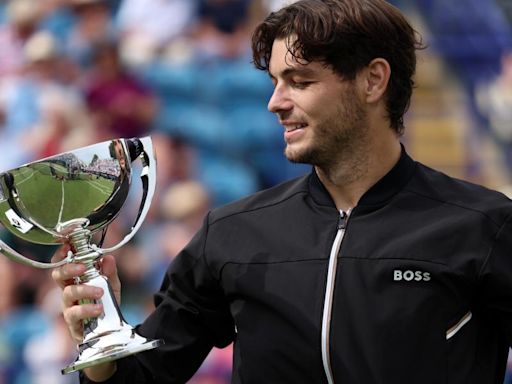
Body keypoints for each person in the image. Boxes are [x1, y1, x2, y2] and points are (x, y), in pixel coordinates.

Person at [50, 0, 512, 383]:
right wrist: (103, 340)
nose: (275, 102)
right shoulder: (230, 232)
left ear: (373, 80)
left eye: (300, 81)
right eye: (274, 81)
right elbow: (143, 378)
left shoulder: (484, 225)